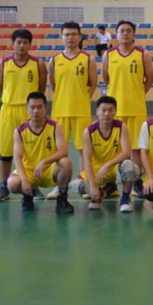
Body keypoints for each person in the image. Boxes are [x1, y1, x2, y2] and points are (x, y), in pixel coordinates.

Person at [0, 29, 47, 202]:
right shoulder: (3, 63)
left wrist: (32, 108)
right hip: (9, 110)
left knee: (30, 151)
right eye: (19, 42)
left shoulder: (38, 64)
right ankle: (3, 185)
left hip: (29, 111)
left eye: (25, 42)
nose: (22, 45)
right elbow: (0, 87)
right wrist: (9, 100)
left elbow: (41, 89)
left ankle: (33, 184)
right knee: (6, 150)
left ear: (30, 44)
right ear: (13, 44)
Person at [102, 20, 153, 196]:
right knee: (113, 148)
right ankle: (110, 184)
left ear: (134, 34)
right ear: (116, 34)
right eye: (122, 31)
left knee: (136, 149)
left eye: (129, 31)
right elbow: (106, 78)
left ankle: (137, 181)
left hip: (136, 108)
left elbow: (149, 79)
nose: (125, 34)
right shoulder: (109, 54)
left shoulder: (142, 54)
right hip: (114, 110)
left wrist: (137, 93)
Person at [47, 21, 97, 198]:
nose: (70, 37)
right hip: (60, 110)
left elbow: (93, 83)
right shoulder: (54, 60)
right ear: (61, 37)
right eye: (67, 34)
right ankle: (59, 185)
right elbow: (54, 85)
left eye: (74, 34)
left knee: (84, 150)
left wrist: (81, 98)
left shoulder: (88, 59)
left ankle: (84, 184)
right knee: (59, 151)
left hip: (81, 110)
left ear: (80, 36)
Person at [6, 92, 74, 214]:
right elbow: (17, 158)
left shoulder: (55, 126)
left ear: (45, 108)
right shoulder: (20, 131)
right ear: (27, 109)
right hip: (29, 170)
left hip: (49, 170)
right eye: (32, 107)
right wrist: (24, 180)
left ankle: (62, 199)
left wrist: (44, 161)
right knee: (12, 184)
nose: (35, 111)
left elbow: (63, 151)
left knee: (66, 163)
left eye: (39, 107)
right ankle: (28, 195)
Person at [78, 96, 139, 213]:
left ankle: (125, 199)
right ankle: (103, 192)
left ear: (115, 111)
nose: (107, 114)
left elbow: (127, 153)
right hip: (98, 171)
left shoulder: (121, 127)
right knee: (77, 185)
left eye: (111, 110)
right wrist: (93, 186)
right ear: (97, 111)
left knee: (129, 166)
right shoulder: (89, 131)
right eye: (103, 110)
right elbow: (87, 161)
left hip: (115, 169)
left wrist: (107, 165)